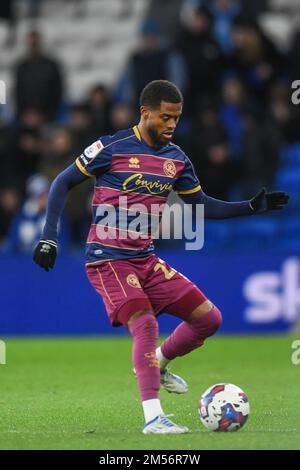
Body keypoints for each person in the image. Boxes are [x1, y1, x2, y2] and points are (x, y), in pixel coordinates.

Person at [33, 80, 289, 434]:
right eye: (165, 117)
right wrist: (50, 238)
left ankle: (162, 362)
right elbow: (62, 182)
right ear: (145, 113)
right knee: (145, 323)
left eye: (177, 118)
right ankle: (154, 417)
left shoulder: (176, 159)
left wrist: (250, 207)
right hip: (108, 258)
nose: (171, 124)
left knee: (209, 319)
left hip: (146, 259)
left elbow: (201, 205)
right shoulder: (111, 147)